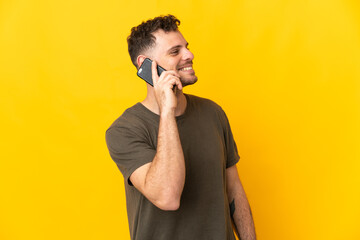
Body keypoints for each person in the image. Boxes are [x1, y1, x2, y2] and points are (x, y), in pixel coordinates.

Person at [105, 14, 256, 240]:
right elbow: (167, 197)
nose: (189, 55)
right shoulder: (124, 130)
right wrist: (167, 109)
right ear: (146, 65)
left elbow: (233, 188)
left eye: (186, 47)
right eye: (175, 52)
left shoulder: (213, 113)